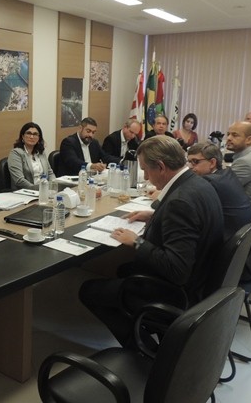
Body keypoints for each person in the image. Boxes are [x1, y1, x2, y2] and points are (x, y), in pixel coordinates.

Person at [78, 136, 223, 348]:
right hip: (202, 279)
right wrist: (155, 216)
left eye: (146, 170)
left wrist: (137, 242)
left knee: (88, 290)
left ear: (161, 167)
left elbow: (177, 270)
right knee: (124, 269)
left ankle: (142, 349)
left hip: (177, 292)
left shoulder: (180, 202)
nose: (146, 177)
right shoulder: (198, 183)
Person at [187, 142, 251, 241]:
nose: (190, 166)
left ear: (212, 163)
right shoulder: (227, 173)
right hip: (247, 237)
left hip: (231, 240)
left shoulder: (209, 182)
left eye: (195, 161)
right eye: (189, 161)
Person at [225, 121, 251, 208]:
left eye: (235, 135)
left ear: (249, 139)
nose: (228, 138)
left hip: (239, 210)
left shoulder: (245, 162)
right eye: (228, 134)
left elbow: (223, 189)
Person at [7, 122, 55, 190]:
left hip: (44, 190)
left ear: (39, 138)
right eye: (28, 133)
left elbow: (50, 173)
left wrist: (53, 186)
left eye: (35, 134)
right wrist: (39, 189)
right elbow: (19, 180)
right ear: (22, 136)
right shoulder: (16, 153)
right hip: (26, 192)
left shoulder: (41, 152)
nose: (32, 137)